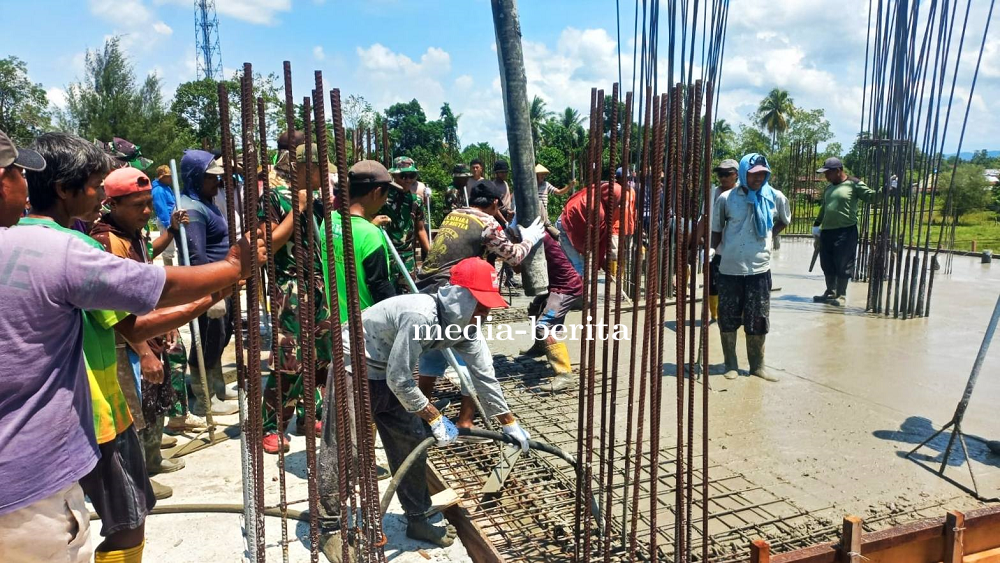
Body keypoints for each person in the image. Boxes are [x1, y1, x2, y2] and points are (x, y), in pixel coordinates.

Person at [1, 131, 257, 563]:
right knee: (125, 522)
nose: (101, 197)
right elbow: (148, 300)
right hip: (41, 467)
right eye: (14, 173)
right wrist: (231, 270)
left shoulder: (27, 241)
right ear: (63, 190)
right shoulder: (66, 247)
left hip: (38, 457)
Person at [318, 258, 531, 562]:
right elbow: (399, 378)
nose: (485, 312)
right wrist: (434, 416)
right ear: (458, 296)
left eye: (488, 305)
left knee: (410, 442)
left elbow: (483, 376)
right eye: (480, 304)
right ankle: (329, 528)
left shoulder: (466, 325)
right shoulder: (421, 316)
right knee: (345, 449)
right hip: (356, 362)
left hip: (390, 368)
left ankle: (418, 517)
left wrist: (508, 422)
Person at [89, 167, 222, 498]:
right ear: (112, 204)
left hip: (150, 330)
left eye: (149, 203)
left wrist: (167, 322)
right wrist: (144, 350)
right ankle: (137, 478)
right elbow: (117, 310)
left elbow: (148, 265)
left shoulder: (132, 232)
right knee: (134, 411)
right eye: (138, 205)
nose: (147, 211)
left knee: (156, 399)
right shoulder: (106, 241)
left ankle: (151, 459)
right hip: (126, 343)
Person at [415, 179, 545, 428]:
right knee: (470, 358)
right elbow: (514, 256)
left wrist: (510, 232)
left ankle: (421, 417)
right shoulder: (487, 223)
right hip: (457, 298)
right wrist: (528, 239)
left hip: (428, 292)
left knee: (432, 353)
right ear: (495, 202)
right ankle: (465, 421)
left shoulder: (454, 214)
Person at [258, 141, 334, 454]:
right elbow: (269, 244)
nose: (325, 175)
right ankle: (271, 426)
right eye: (320, 169)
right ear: (304, 168)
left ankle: (310, 414)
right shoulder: (274, 196)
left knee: (322, 356)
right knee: (290, 359)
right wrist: (298, 209)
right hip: (289, 289)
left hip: (317, 286)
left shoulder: (316, 199)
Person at [710, 153, 790, 382]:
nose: (758, 178)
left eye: (763, 174)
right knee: (728, 316)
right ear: (744, 173)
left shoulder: (775, 197)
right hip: (730, 268)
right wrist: (711, 250)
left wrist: (768, 234)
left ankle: (757, 365)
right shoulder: (726, 199)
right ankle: (731, 364)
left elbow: (784, 220)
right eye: (754, 174)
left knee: (758, 318)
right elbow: (717, 228)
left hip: (759, 270)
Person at [179, 149, 240, 416]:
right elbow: (196, 256)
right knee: (206, 340)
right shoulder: (192, 209)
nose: (217, 182)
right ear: (195, 177)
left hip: (222, 284)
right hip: (209, 287)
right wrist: (211, 293)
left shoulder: (206, 201)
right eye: (211, 177)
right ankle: (204, 399)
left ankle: (217, 387)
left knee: (220, 337)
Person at [321, 159, 398, 322]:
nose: (385, 201)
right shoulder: (370, 235)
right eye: (386, 195)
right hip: (365, 325)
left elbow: (351, 238)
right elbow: (380, 288)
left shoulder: (328, 221)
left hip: (340, 322)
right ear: (376, 192)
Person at [812, 157, 878, 307]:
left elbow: (871, 196)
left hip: (845, 231)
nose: (826, 176)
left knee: (843, 264)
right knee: (827, 264)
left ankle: (841, 295)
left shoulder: (854, 183)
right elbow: (824, 208)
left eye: (828, 173)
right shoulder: (829, 188)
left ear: (838, 171)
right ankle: (831, 291)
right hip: (827, 232)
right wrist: (816, 225)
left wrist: (886, 190)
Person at [523, 232, 584, 393]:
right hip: (554, 286)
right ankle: (541, 347)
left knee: (544, 326)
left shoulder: (534, 236)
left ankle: (564, 375)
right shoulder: (532, 233)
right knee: (536, 308)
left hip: (567, 288)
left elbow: (515, 264)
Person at [378, 156, 430, 287]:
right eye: (403, 176)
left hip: (408, 257)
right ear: (394, 175)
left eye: (412, 176)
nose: (408, 180)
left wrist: (431, 255)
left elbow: (420, 230)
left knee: (409, 293)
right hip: (387, 254)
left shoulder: (416, 201)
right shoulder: (382, 199)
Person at [556, 178, 621, 276]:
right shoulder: (599, 210)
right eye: (618, 200)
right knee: (579, 265)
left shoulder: (593, 191)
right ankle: (577, 285)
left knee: (571, 262)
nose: (618, 205)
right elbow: (596, 238)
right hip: (567, 228)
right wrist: (599, 259)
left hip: (564, 220)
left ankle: (571, 283)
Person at [707, 159, 740, 321]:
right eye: (720, 174)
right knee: (713, 284)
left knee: (736, 284)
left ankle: (735, 314)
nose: (723, 178)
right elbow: (705, 217)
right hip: (716, 248)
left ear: (736, 175)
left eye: (727, 174)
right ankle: (716, 315)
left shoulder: (742, 193)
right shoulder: (714, 193)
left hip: (737, 249)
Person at [151, 164, 178, 265]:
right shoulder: (158, 190)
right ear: (161, 177)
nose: (170, 178)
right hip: (166, 222)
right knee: (168, 249)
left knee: (172, 247)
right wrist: (168, 225)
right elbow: (162, 209)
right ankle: (169, 270)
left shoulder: (165, 187)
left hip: (172, 221)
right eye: (168, 177)